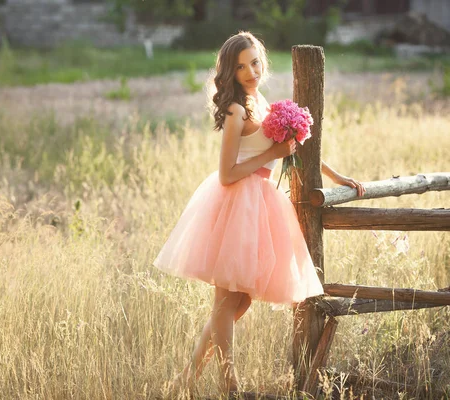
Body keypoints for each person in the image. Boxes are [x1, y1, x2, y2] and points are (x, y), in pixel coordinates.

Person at [153, 31, 365, 397]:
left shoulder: (260, 100)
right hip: (235, 202)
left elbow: (291, 147)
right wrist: (272, 155)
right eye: (240, 67)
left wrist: (336, 176)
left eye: (253, 62)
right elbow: (227, 173)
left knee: (240, 300)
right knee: (226, 300)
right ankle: (229, 383)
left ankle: (186, 379)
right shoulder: (236, 110)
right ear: (230, 73)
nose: (250, 71)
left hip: (259, 204)